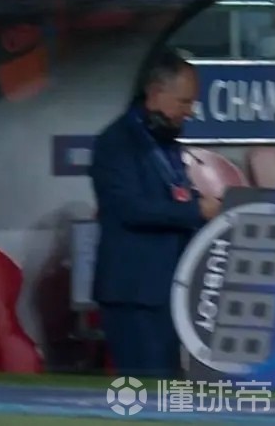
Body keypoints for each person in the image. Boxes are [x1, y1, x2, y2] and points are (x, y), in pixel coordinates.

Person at [90, 51, 220, 378]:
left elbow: (174, 194)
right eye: (184, 102)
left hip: (168, 290)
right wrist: (195, 210)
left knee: (168, 387)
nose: (190, 111)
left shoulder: (165, 142)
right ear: (156, 93)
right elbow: (130, 209)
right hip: (134, 294)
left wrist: (203, 203)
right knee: (148, 390)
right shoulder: (116, 143)